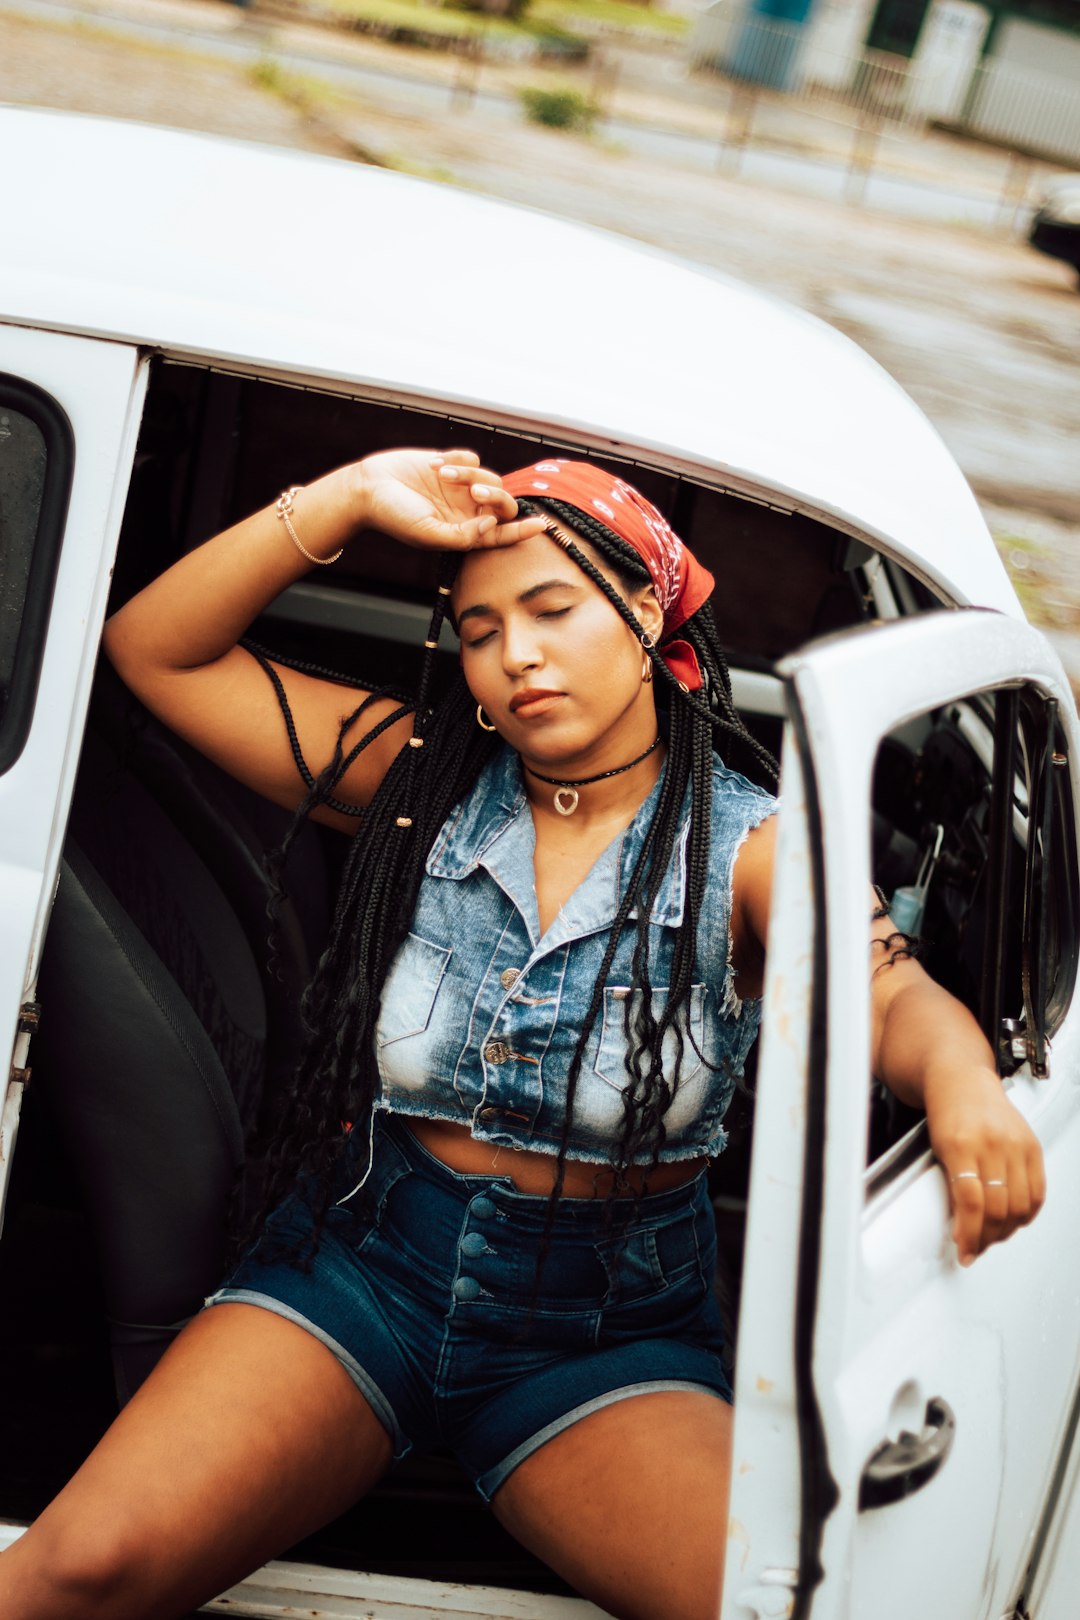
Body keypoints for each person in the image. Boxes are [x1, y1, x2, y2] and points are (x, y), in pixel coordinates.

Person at [0, 448, 1045, 1620]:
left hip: (599, 1338)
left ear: (648, 609)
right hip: (363, 1267)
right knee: (76, 1573)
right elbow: (156, 648)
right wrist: (345, 499)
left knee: (785, 1609)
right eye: (481, 630)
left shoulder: (749, 849)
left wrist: (962, 1084)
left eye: (553, 611)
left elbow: (891, 995)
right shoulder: (424, 777)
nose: (519, 658)